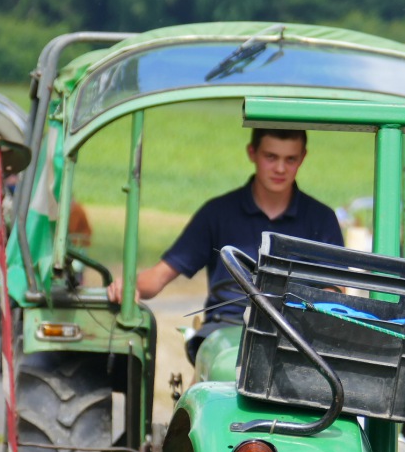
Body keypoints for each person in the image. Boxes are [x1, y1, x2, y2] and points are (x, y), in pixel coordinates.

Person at [106, 128, 343, 362]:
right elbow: (159, 276)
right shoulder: (217, 213)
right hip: (224, 331)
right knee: (222, 369)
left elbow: (332, 294)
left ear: (303, 157)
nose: (280, 168)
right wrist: (129, 287)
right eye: (271, 157)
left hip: (295, 335)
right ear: (252, 153)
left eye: (290, 159)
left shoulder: (321, 220)